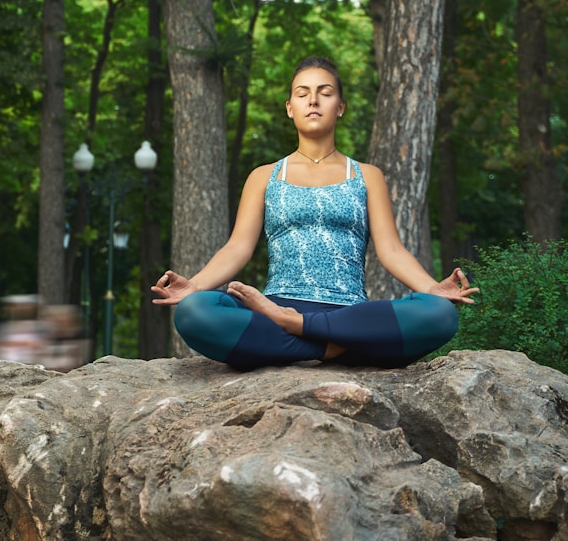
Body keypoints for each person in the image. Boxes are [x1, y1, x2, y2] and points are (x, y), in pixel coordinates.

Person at [151, 56, 478, 371]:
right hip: (275, 305)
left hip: (349, 312)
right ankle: (336, 348)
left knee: (439, 314)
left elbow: (391, 250)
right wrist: (194, 286)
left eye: (325, 93)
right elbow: (237, 248)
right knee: (195, 312)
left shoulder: (367, 176)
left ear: (340, 107)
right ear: (290, 109)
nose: (313, 101)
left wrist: (432, 288)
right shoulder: (264, 176)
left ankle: (297, 329)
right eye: (302, 94)